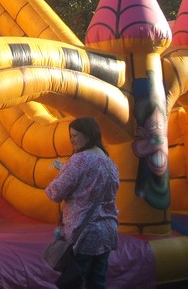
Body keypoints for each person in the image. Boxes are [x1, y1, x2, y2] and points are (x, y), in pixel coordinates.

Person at [45, 117, 119, 289]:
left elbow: (55, 192)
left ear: (87, 135)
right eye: (71, 136)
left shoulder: (80, 160)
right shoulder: (110, 163)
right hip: (107, 231)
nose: (72, 140)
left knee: (74, 281)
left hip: (84, 233)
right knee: (97, 281)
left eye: (75, 135)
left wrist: (52, 179)